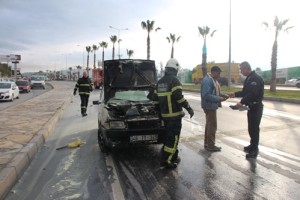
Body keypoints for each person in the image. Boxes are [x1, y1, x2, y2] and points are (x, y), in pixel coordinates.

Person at [149, 58, 194, 169]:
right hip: (175, 117)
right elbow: (179, 98)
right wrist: (189, 108)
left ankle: (173, 157)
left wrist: (159, 113)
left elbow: (154, 100)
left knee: (169, 138)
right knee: (173, 139)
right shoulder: (175, 81)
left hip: (165, 117)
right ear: (175, 69)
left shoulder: (159, 82)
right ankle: (166, 161)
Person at [228, 61, 264, 159]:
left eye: (241, 69)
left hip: (256, 107)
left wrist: (241, 102)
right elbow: (245, 92)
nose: (240, 71)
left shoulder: (255, 79)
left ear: (246, 68)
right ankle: (252, 145)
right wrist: (235, 94)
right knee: (251, 128)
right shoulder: (249, 78)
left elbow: (251, 94)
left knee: (254, 129)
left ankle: (254, 149)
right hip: (251, 107)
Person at [201, 66, 228, 152]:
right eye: (218, 73)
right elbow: (206, 95)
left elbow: (216, 92)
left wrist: (223, 95)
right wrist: (218, 99)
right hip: (209, 106)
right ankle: (211, 145)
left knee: (209, 125)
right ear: (214, 72)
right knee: (212, 126)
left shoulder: (213, 80)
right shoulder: (207, 80)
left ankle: (207, 144)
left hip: (211, 106)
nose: (219, 75)